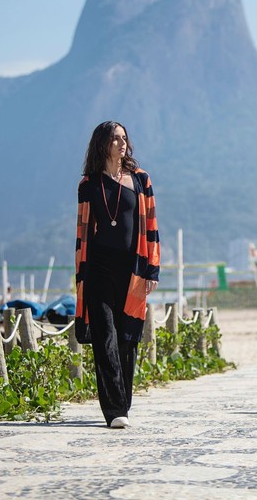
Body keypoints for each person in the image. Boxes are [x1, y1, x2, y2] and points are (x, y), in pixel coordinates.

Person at [75, 121, 160, 429]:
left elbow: (151, 226)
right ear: (103, 143)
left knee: (127, 338)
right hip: (98, 268)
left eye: (124, 138)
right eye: (115, 138)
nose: (121, 143)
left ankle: (123, 401)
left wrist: (152, 268)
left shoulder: (140, 180)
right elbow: (82, 234)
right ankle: (113, 410)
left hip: (132, 269)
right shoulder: (88, 184)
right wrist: (81, 276)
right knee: (104, 336)